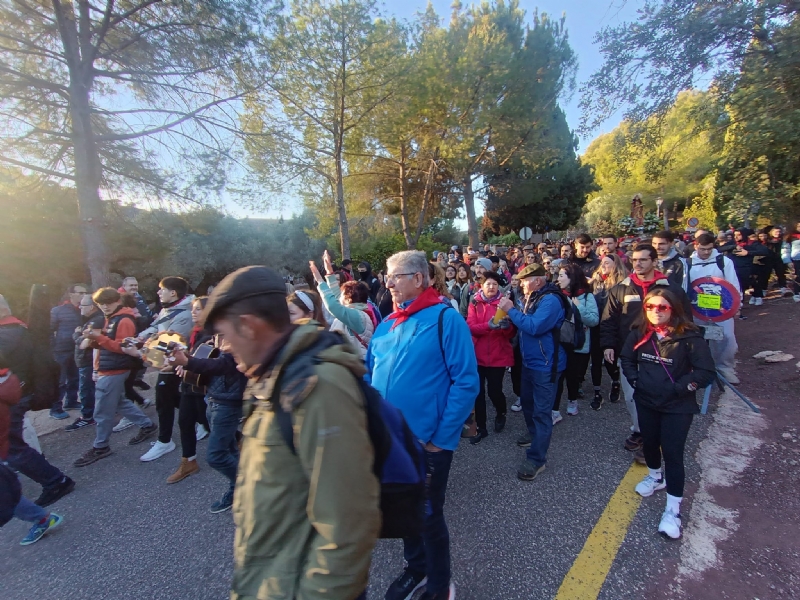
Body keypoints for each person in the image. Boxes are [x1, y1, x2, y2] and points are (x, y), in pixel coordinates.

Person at [201, 265, 380, 600]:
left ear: (249, 326)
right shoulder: (271, 377)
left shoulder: (318, 386)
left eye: (226, 335)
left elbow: (347, 522)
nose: (224, 347)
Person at [367, 251, 478, 600]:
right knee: (403, 510)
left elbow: (466, 382)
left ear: (418, 278)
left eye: (394, 276)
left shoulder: (446, 319)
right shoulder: (387, 323)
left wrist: (441, 440)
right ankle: (417, 568)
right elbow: (370, 376)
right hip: (389, 442)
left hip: (427, 442)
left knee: (429, 516)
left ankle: (440, 585)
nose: (387, 283)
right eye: (387, 276)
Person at [620, 288, 716, 539]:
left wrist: (680, 388)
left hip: (677, 407)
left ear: (673, 309)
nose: (655, 312)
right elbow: (626, 358)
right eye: (650, 307)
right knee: (650, 444)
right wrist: (635, 380)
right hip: (646, 401)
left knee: (673, 454)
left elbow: (706, 372)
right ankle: (655, 477)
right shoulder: (639, 332)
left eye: (662, 307)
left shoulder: (690, 337)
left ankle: (673, 511)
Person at [600, 245, 693, 459]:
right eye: (635, 260)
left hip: (664, 352)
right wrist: (608, 345)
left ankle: (653, 439)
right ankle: (640, 430)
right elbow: (609, 320)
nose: (638, 264)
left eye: (643, 260)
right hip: (631, 353)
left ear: (654, 261)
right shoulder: (621, 289)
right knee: (632, 397)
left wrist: (685, 351)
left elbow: (685, 320)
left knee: (659, 395)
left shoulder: (671, 289)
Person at [0, 295, 76, 506]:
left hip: (12, 396)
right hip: (16, 393)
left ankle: (55, 481)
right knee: (13, 445)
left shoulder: (8, 333)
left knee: (12, 447)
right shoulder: (13, 329)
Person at [73, 288, 157, 467]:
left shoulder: (123, 319)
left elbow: (123, 347)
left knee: (102, 410)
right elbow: (111, 343)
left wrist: (98, 338)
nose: (105, 306)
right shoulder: (113, 317)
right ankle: (147, 425)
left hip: (114, 369)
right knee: (119, 402)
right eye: (101, 304)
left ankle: (101, 446)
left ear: (118, 301)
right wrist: (95, 339)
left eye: (108, 303)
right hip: (110, 367)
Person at [497, 264, 566, 482]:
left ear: (537, 280)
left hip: (546, 364)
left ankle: (537, 459)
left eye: (524, 280)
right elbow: (524, 325)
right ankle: (534, 434)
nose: (521, 284)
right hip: (529, 362)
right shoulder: (531, 297)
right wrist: (510, 321)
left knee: (542, 411)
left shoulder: (550, 300)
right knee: (527, 402)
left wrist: (511, 310)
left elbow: (535, 327)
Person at [170, 331, 247, 512]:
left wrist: (188, 362)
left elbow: (224, 363)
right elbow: (209, 359)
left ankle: (248, 487)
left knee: (216, 455)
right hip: (212, 398)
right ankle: (237, 489)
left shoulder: (239, 330)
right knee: (230, 449)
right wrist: (187, 362)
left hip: (228, 403)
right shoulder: (214, 333)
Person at [135, 276, 195, 462]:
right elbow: (155, 329)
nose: (158, 292)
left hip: (172, 362)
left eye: (162, 289)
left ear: (173, 293)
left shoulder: (184, 315)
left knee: (164, 400)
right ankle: (204, 422)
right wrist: (140, 337)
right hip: (166, 362)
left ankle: (165, 441)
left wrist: (142, 349)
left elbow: (171, 341)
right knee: (174, 398)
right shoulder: (168, 310)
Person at [161, 297, 214, 485]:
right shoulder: (195, 333)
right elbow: (191, 356)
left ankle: (238, 441)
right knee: (185, 422)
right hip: (189, 385)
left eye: (198, 309)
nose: (193, 312)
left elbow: (206, 359)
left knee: (208, 422)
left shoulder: (212, 334)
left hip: (202, 386)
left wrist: (186, 364)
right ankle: (189, 461)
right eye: (193, 308)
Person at [466, 271, 515, 444]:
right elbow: (471, 327)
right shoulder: (474, 302)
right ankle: (481, 428)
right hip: (478, 355)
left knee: (495, 391)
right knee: (478, 393)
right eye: (488, 284)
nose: (492, 287)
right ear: (482, 286)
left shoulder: (505, 303)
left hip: (498, 355)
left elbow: (511, 334)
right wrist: (488, 326)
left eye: (495, 284)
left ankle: (501, 412)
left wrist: (507, 327)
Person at [687, 233, 742, 384]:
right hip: (697, 309)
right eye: (703, 249)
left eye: (709, 249)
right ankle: (700, 368)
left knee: (727, 337)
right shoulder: (688, 263)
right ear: (696, 246)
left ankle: (725, 368)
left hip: (721, 309)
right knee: (697, 339)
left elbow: (733, 285)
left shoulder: (723, 261)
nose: (706, 252)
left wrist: (737, 306)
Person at [553, 264, 599, 421]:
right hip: (560, 341)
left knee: (573, 376)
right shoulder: (557, 295)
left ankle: (572, 400)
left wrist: (579, 307)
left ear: (571, 277)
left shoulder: (586, 297)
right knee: (558, 376)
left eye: (561, 275)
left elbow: (593, 320)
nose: (558, 279)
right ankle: (554, 410)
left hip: (577, 343)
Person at [312, 252, 376, 359]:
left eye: (342, 294)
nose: (340, 296)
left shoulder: (358, 316)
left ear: (348, 298)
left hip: (359, 363)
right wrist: (329, 273)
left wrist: (320, 281)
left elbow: (333, 306)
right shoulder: (358, 311)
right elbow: (336, 296)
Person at [588, 254, 628, 410]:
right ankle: (597, 392)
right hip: (596, 325)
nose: (603, 266)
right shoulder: (595, 281)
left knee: (610, 359)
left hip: (612, 327)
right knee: (595, 360)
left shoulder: (621, 284)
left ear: (615, 266)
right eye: (602, 263)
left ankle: (615, 381)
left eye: (607, 263)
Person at [65, 293, 105, 431]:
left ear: (92, 307)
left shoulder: (96, 321)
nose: (79, 307)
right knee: (89, 389)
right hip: (85, 360)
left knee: (86, 390)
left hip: (88, 361)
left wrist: (76, 334)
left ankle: (88, 417)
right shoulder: (89, 319)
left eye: (83, 305)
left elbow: (84, 344)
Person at [49, 284, 88, 419]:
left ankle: (71, 401)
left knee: (75, 377)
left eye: (85, 293)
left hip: (77, 349)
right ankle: (55, 408)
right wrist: (53, 346)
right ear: (71, 294)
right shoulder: (58, 311)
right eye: (80, 293)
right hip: (61, 350)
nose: (83, 295)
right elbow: (50, 330)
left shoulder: (85, 310)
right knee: (60, 380)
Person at [726, 228, 769, 307]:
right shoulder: (732, 242)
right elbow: (719, 249)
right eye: (734, 235)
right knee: (738, 284)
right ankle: (739, 302)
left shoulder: (752, 243)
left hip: (748, 267)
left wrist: (748, 253)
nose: (736, 237)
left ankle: (757, 296)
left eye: (739, 235)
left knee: (751, 281)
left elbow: (765, 251)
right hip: (734, 267)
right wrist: (734, 246)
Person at [782, 223, 800, 302]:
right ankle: (797, 293)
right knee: (797, 277)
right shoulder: (790, 237)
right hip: (796, 260)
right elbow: (785, 250)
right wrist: (787, 260)